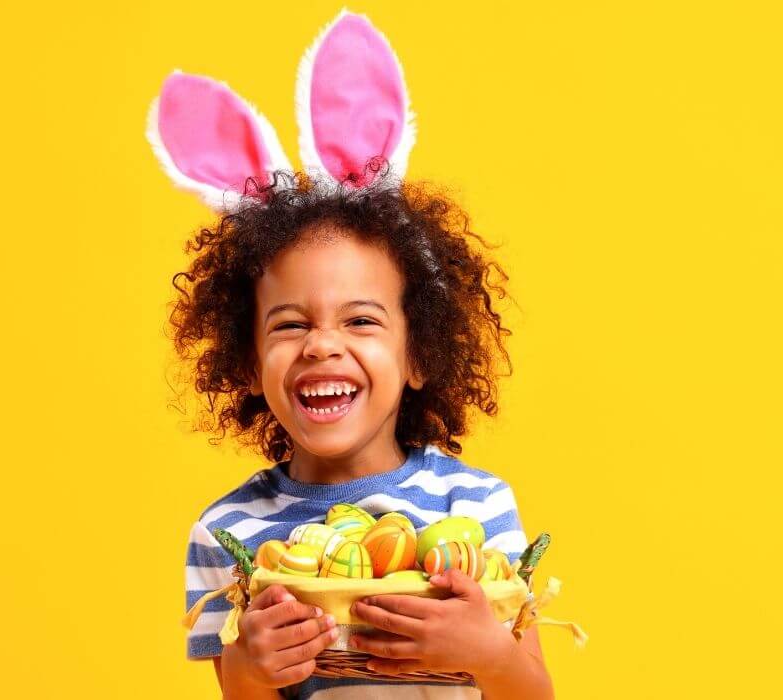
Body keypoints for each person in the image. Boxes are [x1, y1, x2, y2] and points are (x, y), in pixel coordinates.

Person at [152, 10, 555, 698]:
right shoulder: (227, 534)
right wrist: (250, 669)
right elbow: (240, 695)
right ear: (247, 363)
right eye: (288, 326)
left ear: (419, 354)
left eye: (361, 320)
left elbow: (535, 693)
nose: (322, 345)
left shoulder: (477, 504)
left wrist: (491, 656)